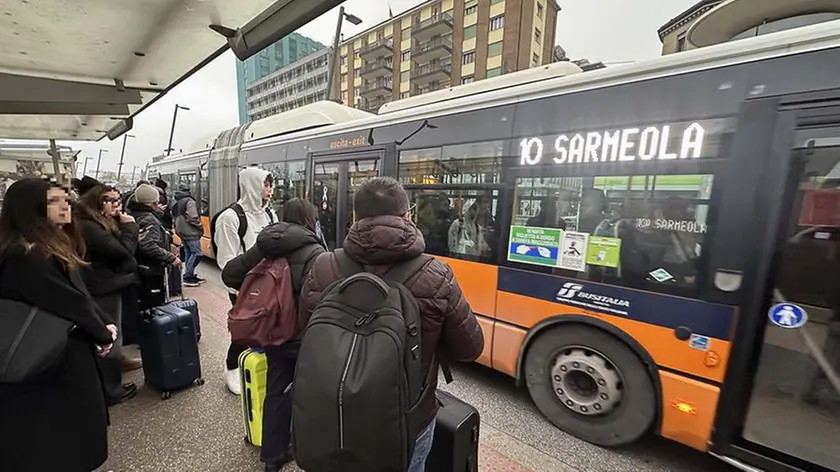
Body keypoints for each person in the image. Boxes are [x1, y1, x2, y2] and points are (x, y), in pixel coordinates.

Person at [299, 177, 484, 472]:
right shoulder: (436, 274)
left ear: (356, 217)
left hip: (334, 412)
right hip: (408, 420)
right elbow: (470, 347)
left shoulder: (323, 266)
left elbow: (304, 333)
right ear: (407, 215)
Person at [0, 178, 117, 472]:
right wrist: (103, 332)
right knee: (60, 440)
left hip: (40, 356)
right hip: (52, 361)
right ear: (34, 209)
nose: (67, 206)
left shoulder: (24, 248)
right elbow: (71, 302)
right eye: (57, 202)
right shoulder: (29, 255)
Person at [221, 198, 325, 472]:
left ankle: (272, 456)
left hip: (273, 334)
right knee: (310, 394)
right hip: (303, 337)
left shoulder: (265, 245)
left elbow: (230, 275)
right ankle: (308, 447)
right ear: (310, 220)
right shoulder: (315, 251)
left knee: (277, 391)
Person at [75, 180, 142, 405]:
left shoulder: (92, 222)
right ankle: (111, 388)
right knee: (110, 333)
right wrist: (130, 228)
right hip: (103, 286)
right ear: (97, 202)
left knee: (113, 332)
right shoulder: (90, 227)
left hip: (105, 282)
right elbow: (123, 253)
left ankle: (114, 372)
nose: (117, 205)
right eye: (111, 201)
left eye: (118, 200)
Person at [215, 167, 277, 395]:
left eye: (271, 185)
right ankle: (232, 367)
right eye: (265, 184)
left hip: (271, 283)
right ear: (251, 184)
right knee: (246, 329)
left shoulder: (270, 214)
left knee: (268, 327)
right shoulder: (230, 218)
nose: (269, 190)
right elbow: (227, 262)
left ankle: (259, 363)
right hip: (243, 286)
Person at [127, 183, 182, 276]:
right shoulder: (149, 219)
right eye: (156, 202)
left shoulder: (133, 213)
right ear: (153, 203)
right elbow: (148, 245)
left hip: (139, 265)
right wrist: (171, 258)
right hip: (150, 267)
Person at [172, 183, 206, 287]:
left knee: (188, 253)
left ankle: (189, 274)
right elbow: (193, 217)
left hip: (181, 231)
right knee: (197, 253)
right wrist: (200, 226)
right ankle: (187, 276)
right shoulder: (189, 201)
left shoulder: (177, 201)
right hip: (191, 231)